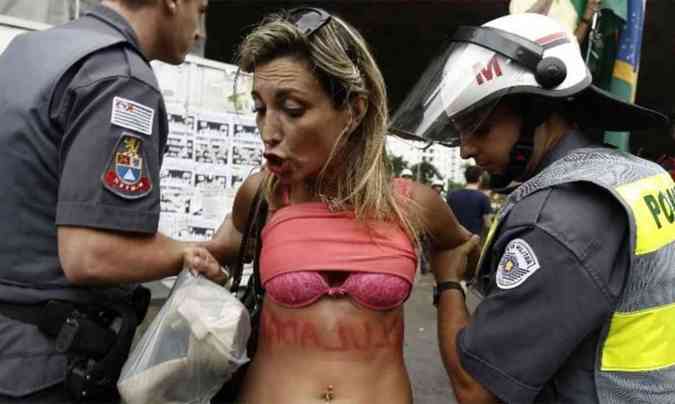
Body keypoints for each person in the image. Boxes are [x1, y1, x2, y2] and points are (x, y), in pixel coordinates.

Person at [390, 12, 673, 403]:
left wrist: (448, 277)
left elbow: (477, 390)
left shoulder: (556, 220)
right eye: (460, 131)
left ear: (539, 109)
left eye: (480, 127)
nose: (467, 148)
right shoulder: (642, 176)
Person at [205, 7, 475, 404]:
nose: (268, 131)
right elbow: (220, 252)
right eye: (260, 108)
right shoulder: (261, 196)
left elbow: (455, 243)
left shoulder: (414, 203)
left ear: (353, 109)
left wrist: (449, 284)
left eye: (292, 109)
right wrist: (203, 267)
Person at [0, 1, 222, 403]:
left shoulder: (26, 50)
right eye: (201, 10)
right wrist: (187, 254)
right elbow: (91, 254)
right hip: (46, 368)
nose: (200, 31)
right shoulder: (121, 78)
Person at [446, 165, 493, 240]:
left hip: (454, 240)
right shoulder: (483, 198)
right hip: (473, 241)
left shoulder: (452, 195)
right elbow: (488, 224)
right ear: (480, 178)